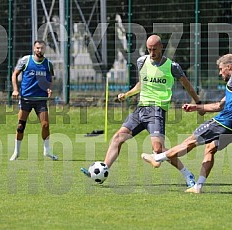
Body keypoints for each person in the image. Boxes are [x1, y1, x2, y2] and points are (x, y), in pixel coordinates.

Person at [81, 34, 201, 187]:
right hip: (140, 109)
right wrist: (127, 94)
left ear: (161, 47)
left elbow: (187, 85)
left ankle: (187, 174)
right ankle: (102, 169)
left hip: (157, 111)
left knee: (158, 150)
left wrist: (198, 103)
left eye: (155, 49)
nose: (152, 53)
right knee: (117, 138)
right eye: (149, 49)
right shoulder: (141, 61)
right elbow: (141, 84)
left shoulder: (172, 67)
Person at [141, 54, 232, 193]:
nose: (220, 73)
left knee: (190, 141)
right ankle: (198, 186)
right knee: (210, 148)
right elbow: (219, 106)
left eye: (221, 69)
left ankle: (157, 158)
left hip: (226, 122)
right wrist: (197, 107)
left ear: (229, 67)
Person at [9, 40, 58, 161]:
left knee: (45, 125)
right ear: (33, 48)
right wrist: (15, 90)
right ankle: (16, 152)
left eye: (41, 48)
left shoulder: (48, 64)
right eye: (37, 48)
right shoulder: (26, 60)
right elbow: (14, 74)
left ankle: (47, 151)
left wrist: (49, 89)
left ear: (45, 49)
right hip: (26, 98)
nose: (39, 50)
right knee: (21, 126)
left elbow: (51, 79)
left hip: (41, 100)